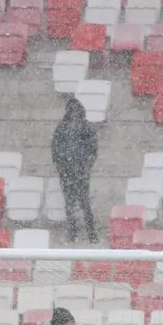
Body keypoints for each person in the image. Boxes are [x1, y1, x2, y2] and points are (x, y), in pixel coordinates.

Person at [51, 97, 99, 244]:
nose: (74, 113)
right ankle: (72, 232)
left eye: (76, 110)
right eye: (71, 111)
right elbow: (55, 148)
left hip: (81, 172)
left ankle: (91, 233)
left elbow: (93, 149)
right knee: (69, 204)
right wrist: (60, 166)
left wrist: (86, 166)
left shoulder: (86, 128)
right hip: (66, 172)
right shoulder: (62, 128)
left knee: (84, 203)